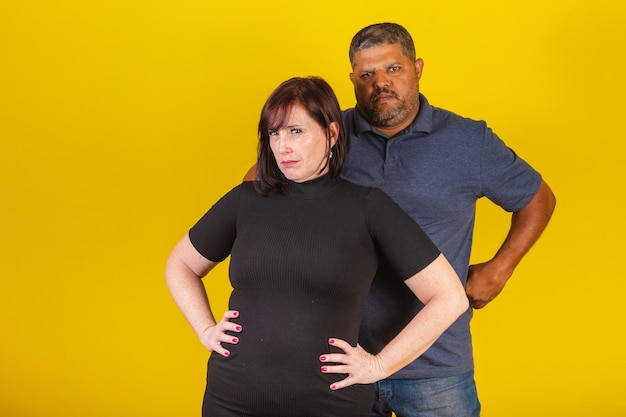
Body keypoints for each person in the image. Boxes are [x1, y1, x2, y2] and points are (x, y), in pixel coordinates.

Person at [244, 23, 556, 417]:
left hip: (436, 365)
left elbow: (538, 199)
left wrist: (500, 268)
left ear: (418, 68)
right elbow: (257, 184)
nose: (381, 84)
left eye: (394, 69)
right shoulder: (326, 135)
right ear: (353, 80)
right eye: (367, 75)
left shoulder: (468, 141)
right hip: (341, 359)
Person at [166, 76, 469, 417]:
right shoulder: (244, 200)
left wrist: (380, 365)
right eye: (274, 133)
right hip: (232, 400)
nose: (282, 146)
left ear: (332, 134)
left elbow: (449, 297)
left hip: (330, 404)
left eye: (295, 131)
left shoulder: (368, 207)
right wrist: (206, 330)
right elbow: (181, 265)